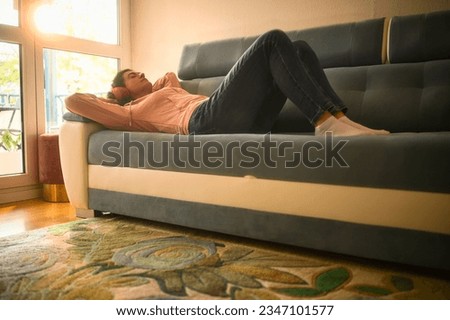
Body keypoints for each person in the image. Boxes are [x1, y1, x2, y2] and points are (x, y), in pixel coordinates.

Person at [65, 29, 388, 136]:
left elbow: (168, 77)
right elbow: (73, 101)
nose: (144, 75)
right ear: (121, 90)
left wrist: (151, 85)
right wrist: (112, 98)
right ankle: (324, 122)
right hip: (206, 122)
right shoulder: (131, 113)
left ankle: (340, 119)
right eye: (134, 76)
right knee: (273, 40)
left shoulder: (166, 88)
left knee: (300, 49)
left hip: (239, 119)